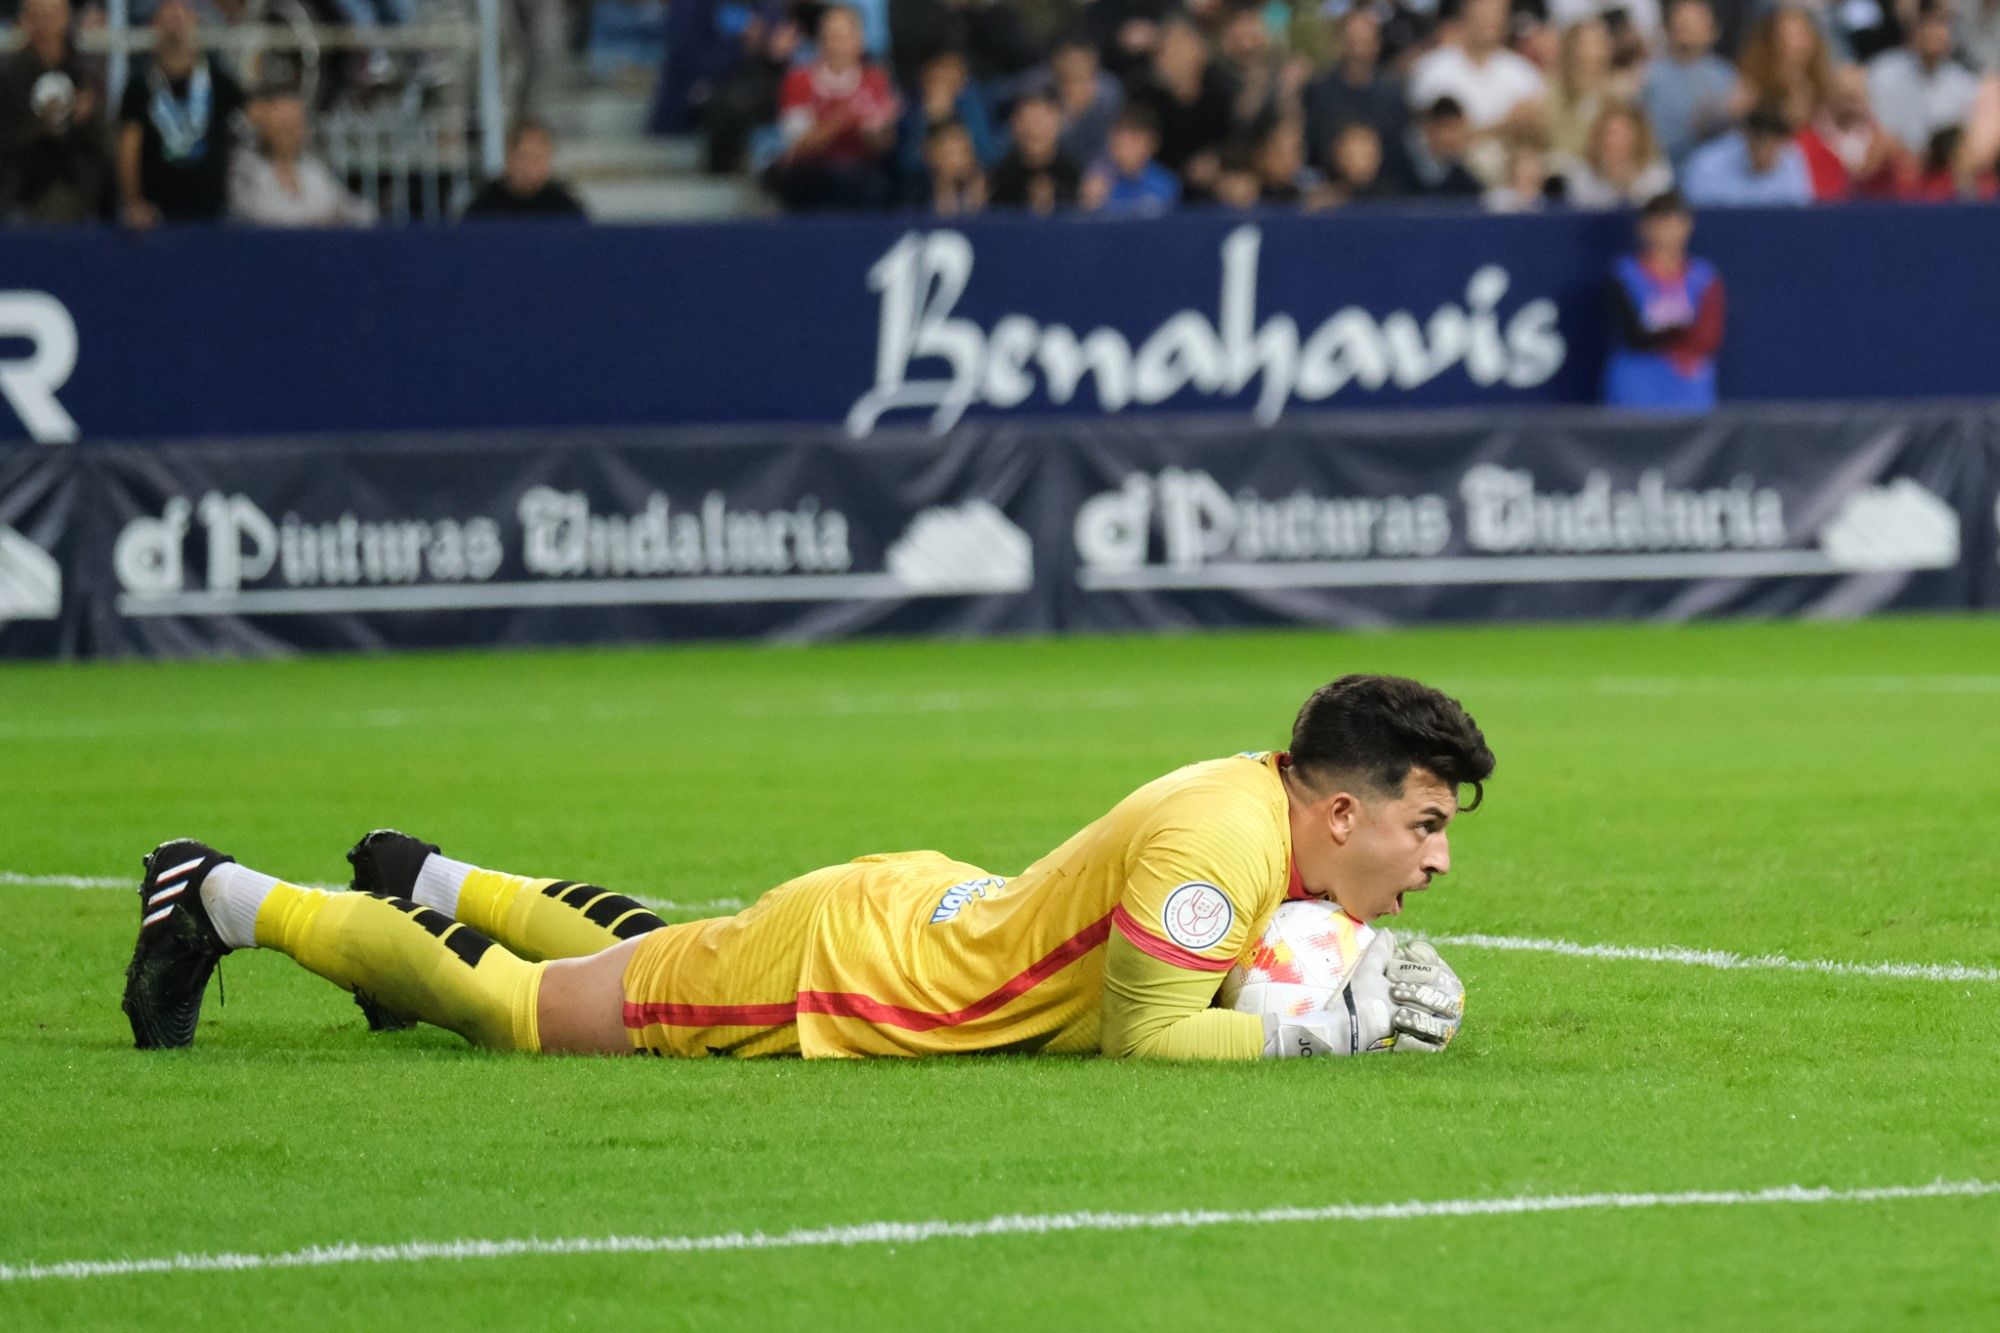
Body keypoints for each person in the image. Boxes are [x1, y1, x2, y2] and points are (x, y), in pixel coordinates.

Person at [120, 675, 1489, 1062]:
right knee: (528, 1014)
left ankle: (431, 878)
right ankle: (220, 895)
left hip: (905, 915)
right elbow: (1147, 1030)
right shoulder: (1220, 840)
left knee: (647, 948)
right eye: (1422, 824)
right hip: (857, 977)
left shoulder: (1260, 808)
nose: (1432, 860)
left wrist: (1326, 978)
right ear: (1339, 809)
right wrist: (1326, 1037)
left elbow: (1214, 968)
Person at [116, 0, 247, 227]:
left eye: (182, 15)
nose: (175, 22)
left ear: (196, 22)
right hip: (156, 217)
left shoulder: (218, 81)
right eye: (167, 17)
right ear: (154, 26)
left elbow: (253, 119)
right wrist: (133, 202)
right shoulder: (139, 87)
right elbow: (129, 147)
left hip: (213, 215)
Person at [764, 4, 900, 212]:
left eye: (845, 37)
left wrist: (881, 130)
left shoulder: (875, 80)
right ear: (820, 42)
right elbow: (801, 142)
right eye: (833, 37)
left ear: (859, 40)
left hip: (861, 171)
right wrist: (846, 117)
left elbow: (881, 143)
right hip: (811, 172)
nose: (839, 46)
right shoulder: (798, 81)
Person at [1603, 190, 1723, 411]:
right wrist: (1681, 332)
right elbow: (1632, 335)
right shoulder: (1624, 275)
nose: (1666, 231)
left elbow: (1708, 336)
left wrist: (1669, 336)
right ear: (1643, 227)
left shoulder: (1704, 277)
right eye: (1659, 222)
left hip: (1690, 392)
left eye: (1673, 222)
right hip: (1636, 389)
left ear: (1687, 226)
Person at [0, 0, 110, 223]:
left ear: (66, 18)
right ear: (24, 21)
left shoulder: (86, 74)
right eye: (37, 16)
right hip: (20, 192)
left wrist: (86, 118)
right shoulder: (8, 76)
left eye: (52, 16)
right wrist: (41, 123)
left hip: (78, 189)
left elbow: (102, 143)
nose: (45, 24)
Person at [228, 85, 374, 227]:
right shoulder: (246, 169)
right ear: (263, 126)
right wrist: (321, 221)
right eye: (283, 126)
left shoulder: (314, 170)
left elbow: (361, 212)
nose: (290, 135)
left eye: (296, 126)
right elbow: (262, 214)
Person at [1406, 0, 1547, 136]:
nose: (1490, 18)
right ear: (1465, 13)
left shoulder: (1524, 73)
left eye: (1497, 11)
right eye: (1483, 11)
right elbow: (1435, 138)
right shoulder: (1432, 70)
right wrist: (1504, 125)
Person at [1866, 2, 1980, 154]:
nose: (1934, 32)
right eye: (1927, 24)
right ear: (1914, 30)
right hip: (1894, 165)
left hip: (1944, 169)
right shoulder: (1882, 73)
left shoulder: (1966, 85)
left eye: (1941, 24)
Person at [1302, 8, 1409, 168]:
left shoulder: (1393, 93)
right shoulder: (1318, 90)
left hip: (1386, 185)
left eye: (1364, 42)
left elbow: (1400, 148)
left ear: (1377, 44)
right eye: (1352, 42)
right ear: (1339, 42)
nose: (1357, 51)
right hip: (1329, 179)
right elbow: (1309, 147)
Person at [1642, 0, 1743, 167]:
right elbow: (1652, 139)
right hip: (1668, 168)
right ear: (1668, 29)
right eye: (1683, 23)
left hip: (1717, 170)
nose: (1689, 29)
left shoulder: (1726, 75)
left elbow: (1736, 139)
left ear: (1713, 31)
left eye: (1697, 22)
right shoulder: (1650, 76)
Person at [1681, 99, 1815, 202]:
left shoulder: (1793, 159)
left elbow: (1799, 214)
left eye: (1772, 145)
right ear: (1745, 135)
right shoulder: (1707, 164)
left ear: (1782, 142)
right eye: (1759, 142)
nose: (1764, 152)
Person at [462, 119, 588, 219]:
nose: (532, 167)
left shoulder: (566, 209)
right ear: (509, 158)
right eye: (526, 157)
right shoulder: (483, 209)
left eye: (540, 158)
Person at [1737, 5, 1836, 128]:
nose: (1796, 45)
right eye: (1787, 36)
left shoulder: (1823, 85)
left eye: (1801, 35)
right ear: (1771, 41)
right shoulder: (1750, 86)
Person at [1562, 100, 1676, 205]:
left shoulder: (1656, 173)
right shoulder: (1583, 176)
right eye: (1607, 133)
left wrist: (1628, 184)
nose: (1611, 141)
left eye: (1620, 134)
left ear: (1637, 137)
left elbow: (1660, 213)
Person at [988, 89, 1082, 212]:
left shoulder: (1078, 180)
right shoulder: (996, 181)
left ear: (1058, 123)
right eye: (1026, 120)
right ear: (1013, 125)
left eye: (1040, 121)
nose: (1034, 130)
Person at [1081, 103, 1181, 212]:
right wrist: (1090, 204)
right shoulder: (1099, 182)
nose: (1124, 144)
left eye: (1134, 139)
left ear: (1152, 143)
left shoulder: (1166, 183)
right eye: (1119, 137)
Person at [1386, 95, 1486, 197]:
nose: (1453, 137)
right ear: (1429, 129)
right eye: (1447, 128)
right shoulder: (1397, 165)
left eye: (1458, 129)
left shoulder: (1463, 180)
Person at [920, 117, 988, 213]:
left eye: (965, 151)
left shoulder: (997, 192)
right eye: (949, 154)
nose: (959, 162)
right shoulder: (914, 195)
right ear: (931, 155)